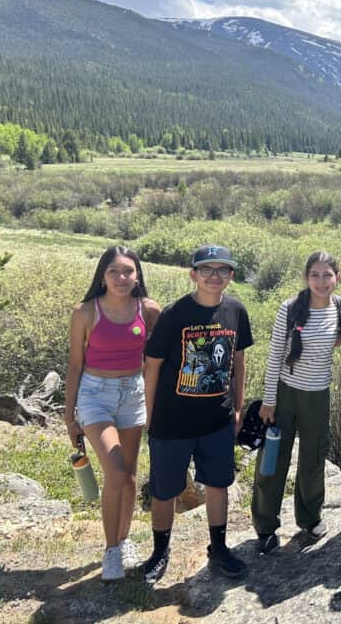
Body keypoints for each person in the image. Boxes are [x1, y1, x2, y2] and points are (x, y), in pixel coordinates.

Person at [141, 245, 253, 584]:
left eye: (222, 270)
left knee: (218, 484)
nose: (214, 276)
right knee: (165, 489)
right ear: (193, 274)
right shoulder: (175, 314)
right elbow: (153, 365)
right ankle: (160, 552)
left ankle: (218, 548)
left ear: (231, 276)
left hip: (216, 421)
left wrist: (237, 409)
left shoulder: (236, 310)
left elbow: (238, 362)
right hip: (172, 421)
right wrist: (149, 416)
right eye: (206, 269)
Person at [64, 245, 161, 581]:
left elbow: (154, 363)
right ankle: (110, 551)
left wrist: (154, 404)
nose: (122, 278)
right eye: (114, 272)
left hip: (133, 395)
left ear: (138, 275)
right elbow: (75, 365)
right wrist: (69, 415)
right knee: (116, 472)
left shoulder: (148, 310)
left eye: (128, 272)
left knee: (131, 476)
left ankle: (123, 541)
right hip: (95, 396)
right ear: (102, 276)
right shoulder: (86, 312)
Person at [252, 252, 341, 554]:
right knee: (273, 459)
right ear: (306, 277)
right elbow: (276, 354)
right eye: (315, 275)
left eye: (327, 275)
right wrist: (269, 400)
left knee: (313, 458)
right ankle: (265, 526)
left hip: (318, 395)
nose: (321, 281)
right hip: (284, 394)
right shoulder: (290, 309)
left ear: (337, 278)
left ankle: (309, 518)